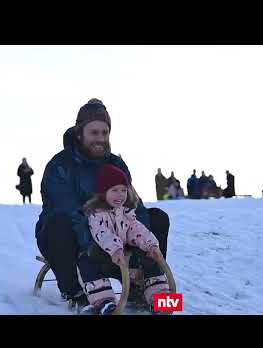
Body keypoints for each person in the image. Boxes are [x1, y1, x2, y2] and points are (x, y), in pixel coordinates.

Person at [35, 98, 170, 312]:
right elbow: (70, 213)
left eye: (104, 133)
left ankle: (147, 285)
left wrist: (144, 244)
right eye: (94, 133)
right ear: (80, 134)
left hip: (114, 234)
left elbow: (134, 206)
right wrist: (99, 249)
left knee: (157, 217)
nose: (100, 138)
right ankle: (76, 290)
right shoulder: (59, 165)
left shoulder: (115, 164)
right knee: (59, 224)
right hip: (73, 240)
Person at [79, 164, 169, 314]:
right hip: (105, 255)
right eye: (114, 190)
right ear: (103, 193)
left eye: (123, 190)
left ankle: (162, 300)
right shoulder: (95, 214)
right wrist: (115, 250)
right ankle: (104, 303)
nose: (120, 195)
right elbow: (102, 234)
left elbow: (137, 229)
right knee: (86, 262)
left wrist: (151, 245)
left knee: (150, 258)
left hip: (124, 256)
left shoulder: (127, 211)